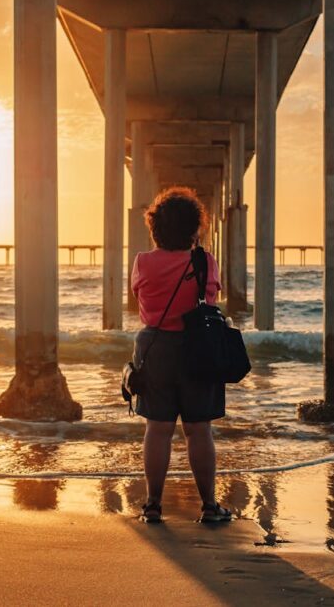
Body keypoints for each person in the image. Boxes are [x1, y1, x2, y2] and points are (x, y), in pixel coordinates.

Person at [130, 186, 232, 524]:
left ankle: (153, 505)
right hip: (196, 349)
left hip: (154, 347)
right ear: (195, 227)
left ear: (155, 227)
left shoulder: (142, 262)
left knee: (157, 430)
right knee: (198, 431)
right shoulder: (204, 261)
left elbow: (138, 299)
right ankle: (209, 506)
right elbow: (212, 302)